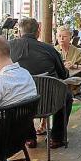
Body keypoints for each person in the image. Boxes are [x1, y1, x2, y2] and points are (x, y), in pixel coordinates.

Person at [9, 17, 71, 149]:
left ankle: (29, 137)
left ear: (19, 32)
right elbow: (63, 74)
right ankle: (56, 138)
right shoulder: (49, 49)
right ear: (38, 32)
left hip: (21, 101)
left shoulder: (8, 47)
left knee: (18, 94)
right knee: (67, 96)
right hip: (49, 100)